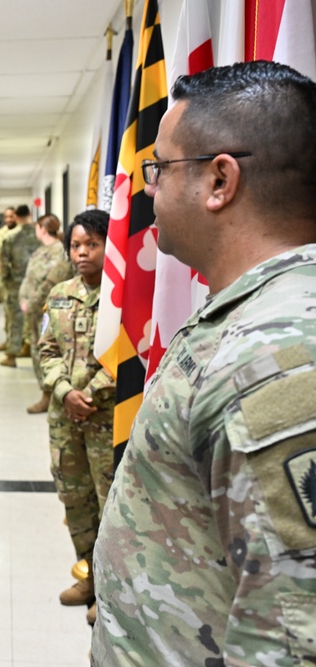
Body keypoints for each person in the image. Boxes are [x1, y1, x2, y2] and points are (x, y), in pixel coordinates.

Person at [93, 61, 316, 665]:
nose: (147, 189)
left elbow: (292, 636)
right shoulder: (248, 313)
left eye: (159, 169)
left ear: (220, 180)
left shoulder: (276, 353)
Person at [38, 209, 114, 628]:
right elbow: (45, 349)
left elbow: (130, 351)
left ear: (109, 245)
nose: (82, 253)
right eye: (76, 246)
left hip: (106, 419)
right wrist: (65, 391)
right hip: (65, 418)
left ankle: (109, 591)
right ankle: (88, 574)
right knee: (76, 501)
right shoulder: (59, 293)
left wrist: (92, 392)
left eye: (92, 244)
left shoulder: (123, 297)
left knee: (109, 505)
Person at [19, 214, 74, 414]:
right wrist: (24, 301)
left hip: (48, 312)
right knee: (36, 350)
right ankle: (45, 392)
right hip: (33, 311)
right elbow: (29, 279)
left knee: (48, 352)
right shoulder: (40, 252)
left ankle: (51, 394)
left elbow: (48, 284)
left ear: (42, 228)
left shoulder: (59, 253)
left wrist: (31, 303)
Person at [0, 204, 39, 367]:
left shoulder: (10, 237)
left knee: (15, 319)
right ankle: (33, 348)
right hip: (36, 283)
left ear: (16, 217)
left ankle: (12, 355)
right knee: (37, 319)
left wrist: (5, 281)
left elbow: (3, 264)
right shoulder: (39, 234)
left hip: (16, 283)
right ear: (29, 214)